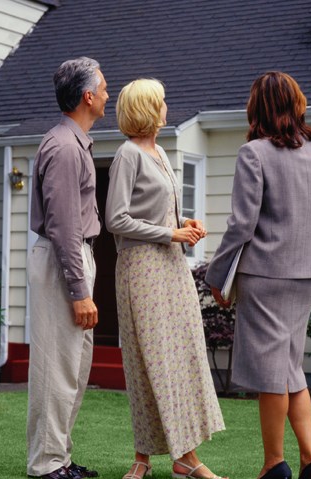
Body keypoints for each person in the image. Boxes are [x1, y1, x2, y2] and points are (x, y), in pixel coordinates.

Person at [205, 72, 311, 479]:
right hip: (306, 277)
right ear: (296, 104)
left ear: (258, 108)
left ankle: (274, 464)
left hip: (264, 276)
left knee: (272, 374)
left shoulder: (253, 153)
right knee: (290, 369)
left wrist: (216, 275)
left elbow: (241, 225)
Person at [105, 78, 228, 479]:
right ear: (145, 109)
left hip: (171, 266)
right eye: (161, 102)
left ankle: (184, 458)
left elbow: (157, 213)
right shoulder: (127, 155)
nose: (166, 107)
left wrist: (182, 224)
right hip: (141, 269)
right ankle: (145, 457)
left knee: (180, 358)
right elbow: (116, 219)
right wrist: (169, 233)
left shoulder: (158, 150)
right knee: (147, 361)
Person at [26, 57, 109, 479]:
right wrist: (80, 291)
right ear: (87, 96)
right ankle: (46, 465)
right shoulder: (63, 147)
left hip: (71, 258)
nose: (108, 95)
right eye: (104, 88)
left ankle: (59, 458)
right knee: (55, 367)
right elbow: (62, 226)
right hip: (65, 260)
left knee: (73, 367)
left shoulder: (73, 143)